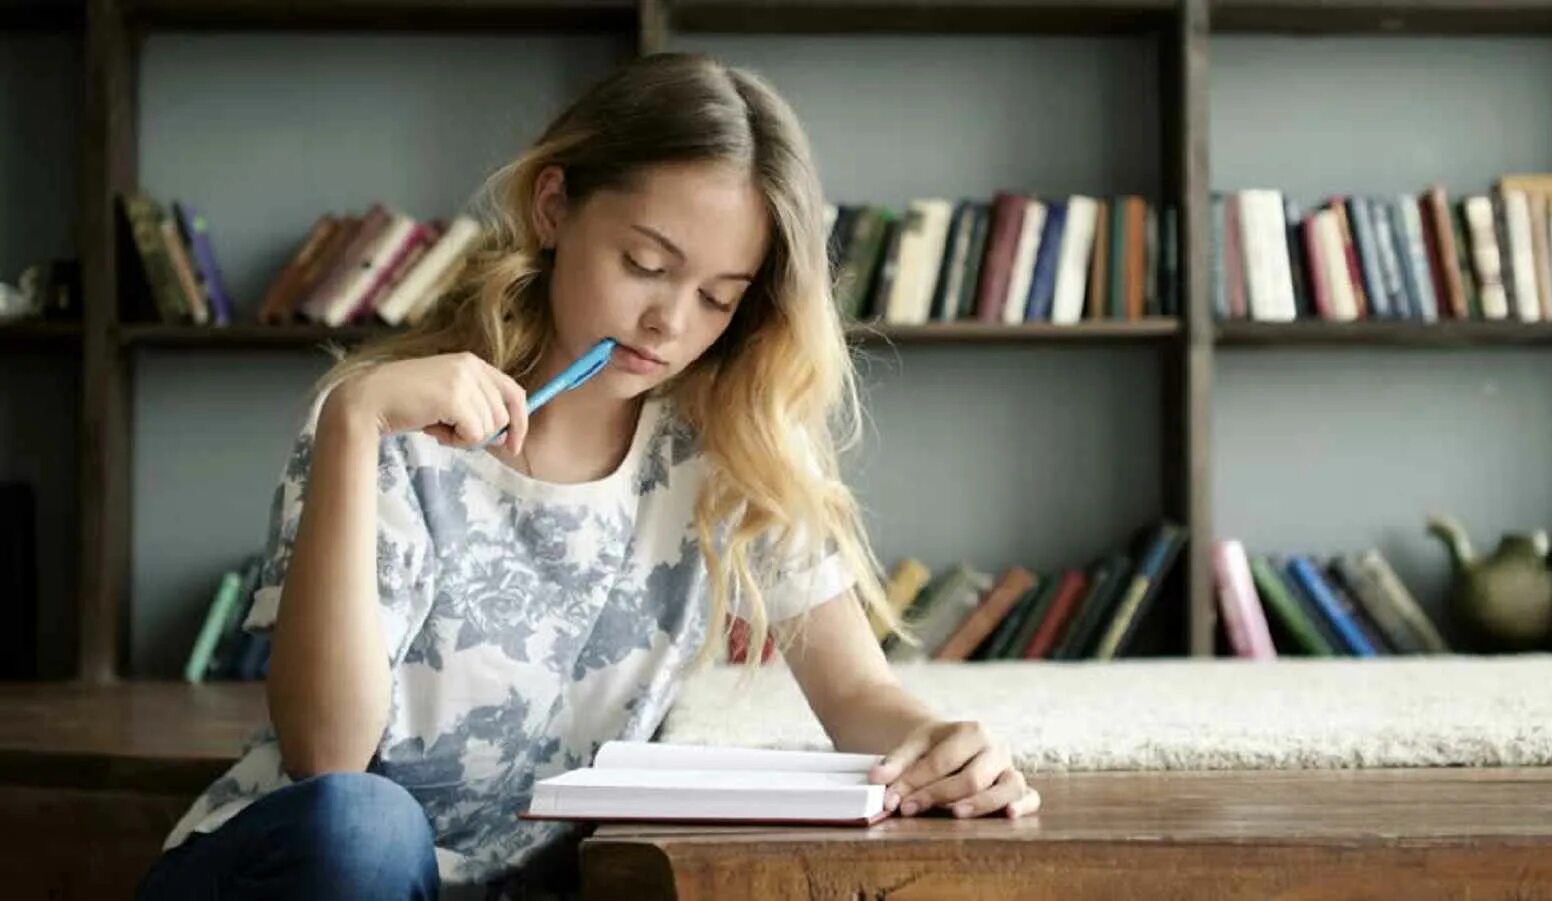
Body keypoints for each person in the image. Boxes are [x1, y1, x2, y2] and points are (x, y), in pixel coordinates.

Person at [137, 51, 1039, 901]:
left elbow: (854, 693)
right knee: (368, 824)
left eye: (719, 296)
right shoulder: (393, 428)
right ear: (554, 206)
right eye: (645, 264)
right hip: (306, 867)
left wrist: (937, 745)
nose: (669, 322)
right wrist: (353, 420)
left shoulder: (732, 446)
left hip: (526, 883)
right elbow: (326, 756)